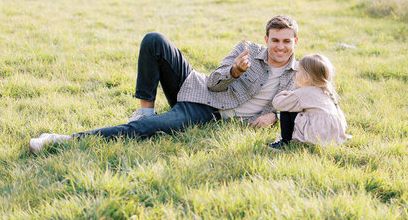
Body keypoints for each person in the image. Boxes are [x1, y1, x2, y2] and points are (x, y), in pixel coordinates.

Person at [30, 15, 299, 153]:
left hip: (207, 114)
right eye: (275, 40)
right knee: (154, 39)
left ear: (295, 42)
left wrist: (274, 117)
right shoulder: (248, 50)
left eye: (286, 41)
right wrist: (235, 70)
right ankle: (144, 110)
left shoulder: (299, 73)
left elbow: (306, 106)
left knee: (144, 131)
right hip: (199, 88)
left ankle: (61, 140)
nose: (280, 47)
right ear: (266, 39)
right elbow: (215, 83)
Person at [268, 53, 351, 150]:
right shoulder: (326, 92)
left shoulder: (303, 93)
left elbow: (279, 104)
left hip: (315, 133)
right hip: (332, 135)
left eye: (298, 71)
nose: (296, 74)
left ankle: (285, 142)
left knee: (287, 108)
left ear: (306, 77)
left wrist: (286, 94)